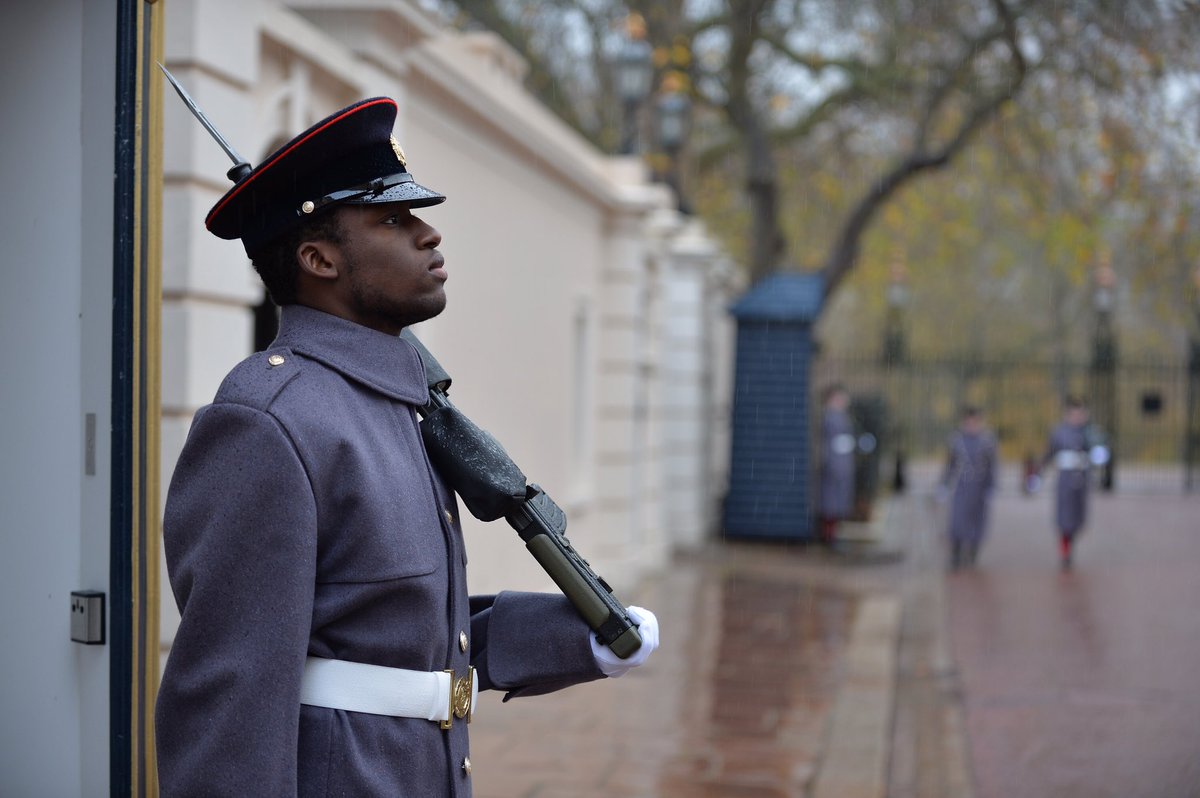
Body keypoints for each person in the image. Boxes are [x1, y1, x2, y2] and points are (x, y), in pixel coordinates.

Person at [155, 96, 658, 797]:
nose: (428, 235)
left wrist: (579, 638)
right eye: (394, 219)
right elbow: (228, 701)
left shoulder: (397, 404)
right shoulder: (268, 421)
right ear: (318, 257)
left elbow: (404, 631)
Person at [1040, 395, 1100, 570]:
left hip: (1081, 480)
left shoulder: (1090, 433)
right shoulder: (1059, 432)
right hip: (1065, 481)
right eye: (1074, 413)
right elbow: (1049, 453)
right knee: (1065, 517)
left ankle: (1070, 542)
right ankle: (1066, 552)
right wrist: (1038, 472)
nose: (1077, 417)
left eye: (1080, 413)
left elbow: (1098, 454)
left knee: (1078, 518)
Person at [938, 406, 997, 569]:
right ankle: (956, 553)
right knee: (957, 521)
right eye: (969, 422)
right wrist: (943, 484)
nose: (972, 425)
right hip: (962, 486)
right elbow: (950, 465)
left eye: (975, 422)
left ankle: (972, 552)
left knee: (977, 521)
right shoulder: (956, 441)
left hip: (980, 488)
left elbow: (993, 466)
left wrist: (992, 486)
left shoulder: (987, 441)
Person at [817, 383, 855, 546]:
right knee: (831, 502)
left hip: (841, 464)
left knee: (837, 502)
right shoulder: (830, 417)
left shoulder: (840, 416)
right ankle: (828, 536)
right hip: (834, 464)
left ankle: (832, 535)